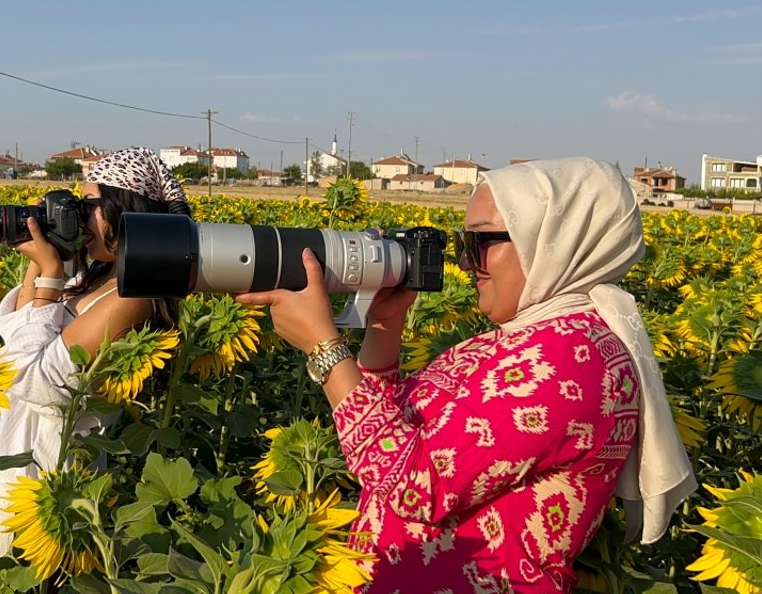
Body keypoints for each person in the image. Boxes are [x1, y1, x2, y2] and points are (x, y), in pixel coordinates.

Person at [235, 156, 696, 592]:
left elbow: (416, 486)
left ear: (549, 240)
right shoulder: (524, 339)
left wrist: (325, 349)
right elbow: (383, 440)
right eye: (461, 245)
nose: (463, 263)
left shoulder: (573, 359)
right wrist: (384, 328)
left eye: (479, 243)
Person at [0, 147, 190, 578]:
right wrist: (48, 260)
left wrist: (52, 274)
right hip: (14, 474)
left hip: (45, 485)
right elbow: (17, 328)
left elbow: (38, 383)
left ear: (128, 211)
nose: (80, 217)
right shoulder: (95, 277)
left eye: (89, 204)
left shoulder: (133, 297)